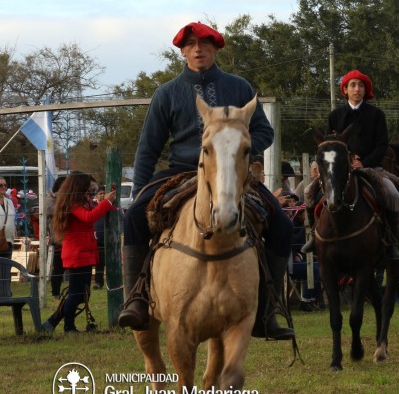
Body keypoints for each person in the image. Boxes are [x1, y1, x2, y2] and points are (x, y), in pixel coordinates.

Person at [117, 21, 294, 341]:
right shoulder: (166, 93)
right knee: (133, 218)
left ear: (215, 49)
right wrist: (138, 193)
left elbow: (264, 131)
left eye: (204, 44)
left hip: (231, 173)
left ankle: (267, 311)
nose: (198, 49)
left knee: (282, 224)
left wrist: (237, 148)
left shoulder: (239, 87)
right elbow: (147, 150)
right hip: (180, 172)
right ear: (183, 51)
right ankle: (137, 301)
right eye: (191, 44)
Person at [301, 69, 399, 260]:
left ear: (366, 90)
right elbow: (326, 145)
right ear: (345, 89)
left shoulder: (376, 114)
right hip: (338, 171)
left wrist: (364, 161)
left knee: (392, 193)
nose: (357, 89)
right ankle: (314, 236)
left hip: (371, 168)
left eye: (361, 85)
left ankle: (392, 241)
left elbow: (382, 145)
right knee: (307, 192)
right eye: (353, 85)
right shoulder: (335, 115)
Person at [43, 172, 116, 333]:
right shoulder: (73, 204)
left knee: (82, 293)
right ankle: (67, 327)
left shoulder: (80, 202)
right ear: (79, 187)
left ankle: (52, 323)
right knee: (76, 294)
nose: (90, 190)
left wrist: (108, 204)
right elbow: (89, 218)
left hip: (84, 253)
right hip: (77, 254)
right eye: (87, 187)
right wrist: (106, 203)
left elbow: (94, 211)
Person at [45, 176, 67, 300]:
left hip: (70, 239)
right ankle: (55, 294)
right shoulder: (50, 199)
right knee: (58, 268)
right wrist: (63, 200)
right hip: (57, 240)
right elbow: (52, 210)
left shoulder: (67, 199)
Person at [0, 178, 14, 286]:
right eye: (1, 185)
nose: (4, 187)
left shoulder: (9, 202)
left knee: (6, 269)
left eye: (5, 185)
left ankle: (6, 293)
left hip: (8, 239)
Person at [92, 185, 107, 290]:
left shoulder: (109, 207)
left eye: (103, 193)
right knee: (98, 262)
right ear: (96, 196)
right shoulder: (93, 207)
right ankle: (98, 282)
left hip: (108, 238)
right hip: (95, 239)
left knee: (107, 261)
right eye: (100, 194)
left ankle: (109, 281)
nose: (102, 195)